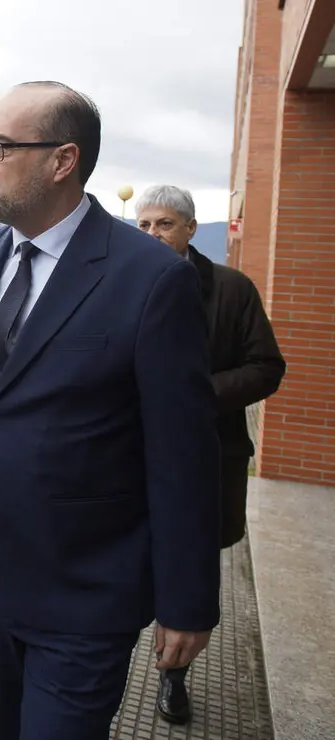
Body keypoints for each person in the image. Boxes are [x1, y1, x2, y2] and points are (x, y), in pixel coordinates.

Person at [0, 81, 222, 740]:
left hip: (87, 590)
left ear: (61, 160)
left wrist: (188, 601)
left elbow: (182, 454)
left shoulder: (151, 279)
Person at [135, 184, 286, 725]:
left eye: (165, 224)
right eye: (145, 225)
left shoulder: (232, 289)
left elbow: (267, 367)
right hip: (130, 461)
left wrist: (196, 395)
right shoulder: (124, 285)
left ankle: (174, 677)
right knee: (134, 562)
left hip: (205, 461)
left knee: (187, 571)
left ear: (192, 229)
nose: (153, 234)